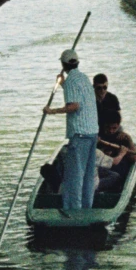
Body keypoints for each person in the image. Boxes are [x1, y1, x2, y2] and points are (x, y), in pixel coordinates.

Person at [47, 49, 98, 212]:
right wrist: (62, 84)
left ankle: (72, 211)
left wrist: (51, 111)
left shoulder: (71, 82)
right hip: (92, 133)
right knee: (88, 176)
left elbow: (74, 106)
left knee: (74, 177)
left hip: (80, 134)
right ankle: (86, 207)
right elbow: (77, 96)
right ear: (77, 63)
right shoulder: (83, 79)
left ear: (63, 64)